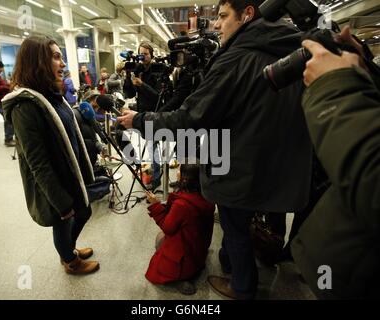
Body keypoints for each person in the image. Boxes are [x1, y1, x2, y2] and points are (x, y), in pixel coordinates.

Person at [119, 0, 312, 299]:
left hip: (238, 166)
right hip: (275, 168)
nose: (218, 24)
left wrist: (140, 120)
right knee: (244, 225)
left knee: (235, 228)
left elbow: (189, 118)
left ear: (247, 14)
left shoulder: (235, 58)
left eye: (223, 16)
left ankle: (241, 286)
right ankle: (233, 263)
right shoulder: (293, 51)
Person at [291, 34, 380, 299]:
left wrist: (335, 88)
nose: (216, 23)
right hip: (347, 259)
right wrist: (365, 71)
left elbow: (373, 185)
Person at [2, 36, 99, 275]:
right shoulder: (25, 106)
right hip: (54, 182)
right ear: (38, 61)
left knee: (84, 211)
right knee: (63, 220)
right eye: (56, 57)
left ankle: (69, 249)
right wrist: (60, 201)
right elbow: (38, 163)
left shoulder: (51, 97)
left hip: (69, 174)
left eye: (61, 56)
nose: (63, 63)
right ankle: (69, 260)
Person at [145, 161, 215, 295]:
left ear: (185, 178)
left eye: (179, 169)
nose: (177, 171)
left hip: (186, 257)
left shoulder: (182, 205)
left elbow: (168, 227)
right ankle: (192, 270)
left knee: (159, 239)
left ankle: (180, 278)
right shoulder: (207, 195)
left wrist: (155, 205)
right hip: (198, 250)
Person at [123, 42, 162, 190]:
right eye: (141, 53)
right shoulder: (138, 70)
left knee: (153, 146)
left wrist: (142, 85)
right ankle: (154, 169)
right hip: (141, 114)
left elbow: (158, 96)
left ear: (151, 55)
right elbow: (129, 93)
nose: (143, 56)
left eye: (146, 53)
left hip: (155, 113)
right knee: (150, 146)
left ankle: (157, 177)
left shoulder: (157, 71)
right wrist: (128, 76)